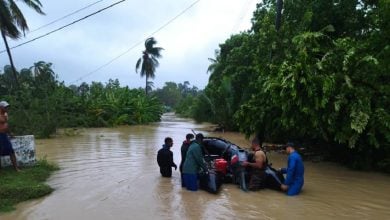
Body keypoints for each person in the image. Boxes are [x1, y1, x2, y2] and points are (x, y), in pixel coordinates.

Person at [0, 101, 19, 171]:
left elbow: (6, 125)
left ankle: (16, 168)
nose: (7, 108)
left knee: (11, 151)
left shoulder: (5, 114)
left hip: (4, 135)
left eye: (7, 107)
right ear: (1, 107)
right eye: (5, 107)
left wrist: (10, 133)